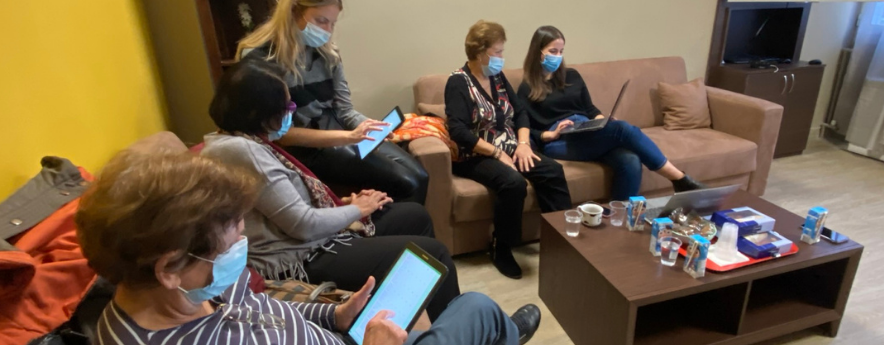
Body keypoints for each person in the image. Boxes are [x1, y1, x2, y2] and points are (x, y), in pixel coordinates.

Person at [75, 150, 542, 345]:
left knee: (449, 306)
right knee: (478, 308)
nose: (243, 245)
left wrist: (332, 316)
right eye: (233, 239)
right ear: (169, 268)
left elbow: (262, 306)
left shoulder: (193, 284)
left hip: (339, 336)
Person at [201, 58, 460, 320]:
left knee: (416, 215)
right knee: (433, 254)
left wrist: (343, 204)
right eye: (287, 106)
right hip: (300, 257)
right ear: (259, 113)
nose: (291, 112)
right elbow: (303, 225)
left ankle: (398, 317)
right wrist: (357, 210)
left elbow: (286, 206)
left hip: (308, 240)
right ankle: (448, 330)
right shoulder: (242, 151)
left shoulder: (237, 141)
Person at [235, 0, 428, 204]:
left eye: (332, 23)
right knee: (407, 183)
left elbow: (344, 110)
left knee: (421, 176)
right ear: (293, 12)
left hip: (339, 136)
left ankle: (406, 235)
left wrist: (369, 129)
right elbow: (278, 134)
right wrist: (347, 137)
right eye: (320, 21)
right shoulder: (260, 59)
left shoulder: (327, 54)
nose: (326, 31)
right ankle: (377, 233)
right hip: (304, 149)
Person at [517, 25, 707, 201]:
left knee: (630, 160)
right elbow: (522, 125)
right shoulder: (527, 87)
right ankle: (680, 180)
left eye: (561, 51)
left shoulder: (572, 76)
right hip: (559, 140)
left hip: (585, 129)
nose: (557, 56)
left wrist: (601, 121)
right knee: (622, 129)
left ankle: (620, 220)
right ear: (538, 52)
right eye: (552, 51)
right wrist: (549, 134)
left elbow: (590, 109)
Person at [444, 20, 572, 279]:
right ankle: (501, 247)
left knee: (552, 170)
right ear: (481, 53)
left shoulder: (497, 77)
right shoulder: (458, 82)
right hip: (475, 154)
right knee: (512, 183)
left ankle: (562, 242)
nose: (502, 57)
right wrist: (495, 153)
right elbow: (458, 132)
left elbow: (520, 111)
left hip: (512, 146)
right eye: (498, 51)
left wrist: (523, 145)